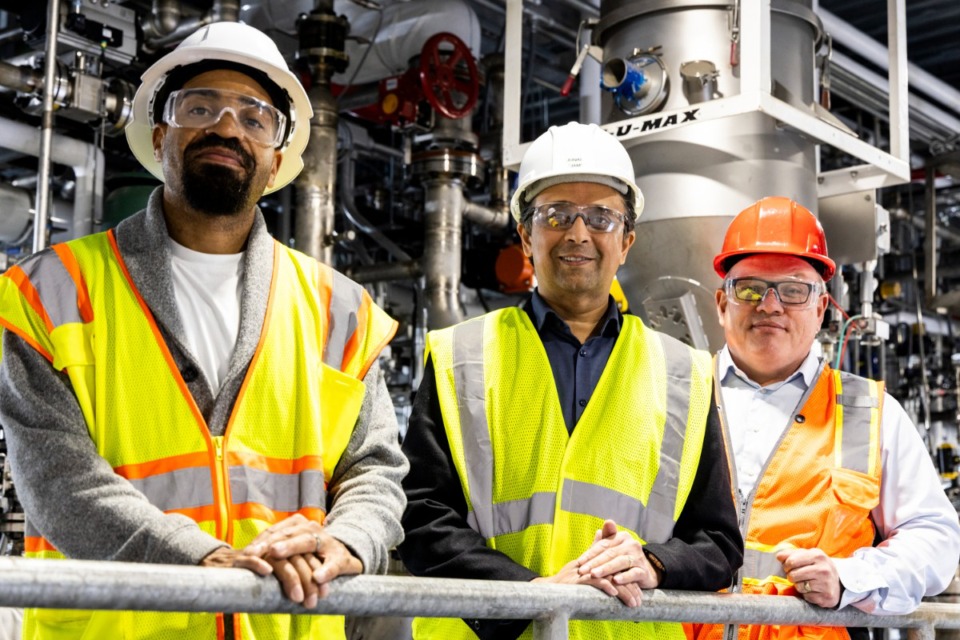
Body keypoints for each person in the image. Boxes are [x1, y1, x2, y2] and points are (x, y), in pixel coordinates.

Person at [0, 21, 408, 640]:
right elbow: (57, 479)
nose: (226, 126)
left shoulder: (339, 309)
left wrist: (347, 541)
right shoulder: (50, 292)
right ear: (160, 136)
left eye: (255, 117)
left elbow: (375, 469)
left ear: (276, 161)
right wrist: (201, 559)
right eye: (200, 107)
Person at [399, 122, 744, 640]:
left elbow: (719, 542)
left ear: (626, 241)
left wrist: (656, 563)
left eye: (601, 217)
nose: (578, 233)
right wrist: (533, 597)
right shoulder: (459, 356)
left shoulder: (685, 374)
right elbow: (420, 517)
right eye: (556, 215)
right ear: (525, 235)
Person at [695, 196, 960, 640]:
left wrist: (849, 576)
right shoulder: (678, 394)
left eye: (794, 289)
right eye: (750, 288)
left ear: (820, 309)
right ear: (722, 304)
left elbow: (933, 538)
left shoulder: (871, 413)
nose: (770, 305)